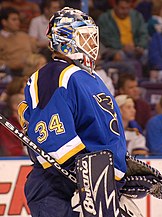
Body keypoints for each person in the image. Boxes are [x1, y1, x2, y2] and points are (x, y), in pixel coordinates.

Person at [18, 7, 127, 217]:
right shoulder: (55, 74)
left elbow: (100, 131)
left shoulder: (92, 78)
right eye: (86, 37)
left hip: (94, 186)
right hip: (61, 187)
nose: (93, 45)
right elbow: (53, 140)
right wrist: (88, 177)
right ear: (65, 40)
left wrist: (121, 170)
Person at [97, 0, 149, 68]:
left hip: (135, 48)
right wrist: (123, 47)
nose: (125, 11)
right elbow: (106, 39)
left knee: (147, 54)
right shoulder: (105, 19)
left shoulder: (137, 16)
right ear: (115, 6)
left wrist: (140, 46)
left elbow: (143, 34)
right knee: (120, 55)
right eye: (122, 8)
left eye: (128, 8)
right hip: (114, 49)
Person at [0, 7, 37, 76]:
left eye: (18, 19)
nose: (18, 22)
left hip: (32, 70)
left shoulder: (24, 36)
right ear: (4, 22)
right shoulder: (1, 39)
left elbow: (35, 52)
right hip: (11, 73)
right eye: (14, 20)